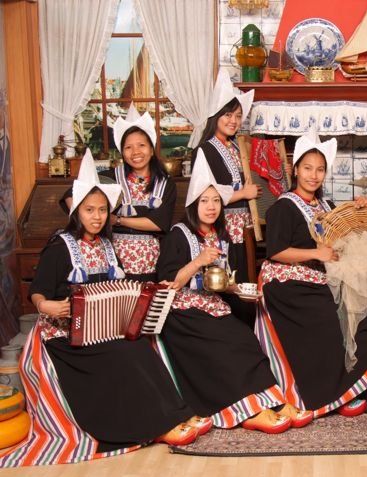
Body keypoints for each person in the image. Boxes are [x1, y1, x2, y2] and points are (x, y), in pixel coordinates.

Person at [0, 152, 200, 468]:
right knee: (122, 356)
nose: (97, 216)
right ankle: (155, 427)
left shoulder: (107, 247)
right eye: (90, 210)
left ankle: (175, 416)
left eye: (102, 210)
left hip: (103, 329)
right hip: (65, 336)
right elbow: (37, 291)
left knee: (141, 348)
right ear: (77, 212)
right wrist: (44, 304)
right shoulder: (60, 245)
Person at [255, 132, 367, 418]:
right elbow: (276, 252)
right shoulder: (283, 207)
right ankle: (334, 390)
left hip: (318, 276)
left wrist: (361, 205)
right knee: (329, 309)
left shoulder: (325, 207)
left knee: (357, 299)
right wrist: (316, 253)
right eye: (308, 168)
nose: (314, 175)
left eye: (320, 169)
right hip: (286, 279)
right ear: (295, 170)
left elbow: (344, 231)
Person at [156, 151, 309, 433]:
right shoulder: (179, 234)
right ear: (193, 203)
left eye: (216, 201)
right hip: (182, 313)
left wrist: (240, 290)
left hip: (212, 305)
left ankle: (272, 401)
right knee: (225, 343)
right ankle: (245, 409)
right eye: (205, 201)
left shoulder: (219, 233)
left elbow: (219, 280)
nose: (212, 207)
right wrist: (199, 261)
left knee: (245, 339)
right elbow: (169, 282)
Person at [60, 105, 176, 282]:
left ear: (152, 150)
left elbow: (158, 223)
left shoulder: (165, 182)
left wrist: (117, 220)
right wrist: (86, 221)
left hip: (153, 259)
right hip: (113, 259)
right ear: (122, 152)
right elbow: (71, 195)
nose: (135, 152)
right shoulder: (110, 177)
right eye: (128, 147)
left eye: (141, 145)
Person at [192, 69, 259, 322]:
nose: (233, 120)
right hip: (221, 224)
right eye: (228, 114)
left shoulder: (236, 146)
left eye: (238, 116)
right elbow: (203, 194)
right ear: (216, 115)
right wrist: (243, 193)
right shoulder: (205, 149)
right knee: (226, 278)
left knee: (243, 280)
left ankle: (247, 330)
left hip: (243, 224)